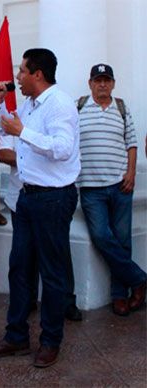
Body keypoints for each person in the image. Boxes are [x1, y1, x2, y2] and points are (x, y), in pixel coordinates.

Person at [0, 48, 80, 368]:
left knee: (51, 274)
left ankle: (51, 340)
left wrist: (23, 132)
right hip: (26, 196)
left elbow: (63, 149)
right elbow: (8, 127)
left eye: (21, 71)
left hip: (53, 198)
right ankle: (16, 336)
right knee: (20, 268)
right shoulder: (30, 105)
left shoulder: (59, 104)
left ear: (38, 74)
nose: (17, 78)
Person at [76, 63, 145, 316]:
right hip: (91, 187)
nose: (102, 84)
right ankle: (138, 278)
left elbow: (132, 144)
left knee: (122, 240)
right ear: (90, 83)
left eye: (106, 80)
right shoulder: (79, 107)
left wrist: (131, 174)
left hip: (120, 185)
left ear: (113, 83)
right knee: (102, 237)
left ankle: (119, 296)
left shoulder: (121, 108)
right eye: (98, 80)